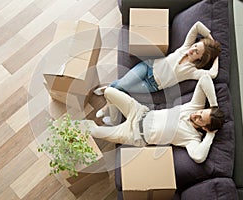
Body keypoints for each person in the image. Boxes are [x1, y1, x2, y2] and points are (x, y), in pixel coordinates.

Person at [94, 21, 221, 124]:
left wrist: (216, 57)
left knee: (119, 88)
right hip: (147, 66)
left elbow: (212, 74)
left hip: (152, 85)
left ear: (200, 58)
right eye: (195, 46)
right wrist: (210, 40)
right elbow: (197, 26)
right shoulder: (185, 47)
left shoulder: (192, 71)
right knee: (120, 85)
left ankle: (108, 101)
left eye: (197, 52)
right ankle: (110, 111)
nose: (192, 50)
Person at [86, 75, 225, 163]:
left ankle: (76, 127)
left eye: (201, 119)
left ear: (205, 128)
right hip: (139, 112)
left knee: (95, 132)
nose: (196, 114)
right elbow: (205, 78)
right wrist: (213, 106)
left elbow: (199, 157)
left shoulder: (192, 139)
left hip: (134, 135)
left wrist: (210, 135)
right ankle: (115, 118)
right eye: (201, 112)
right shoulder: (194, 107)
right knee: (109, 91)